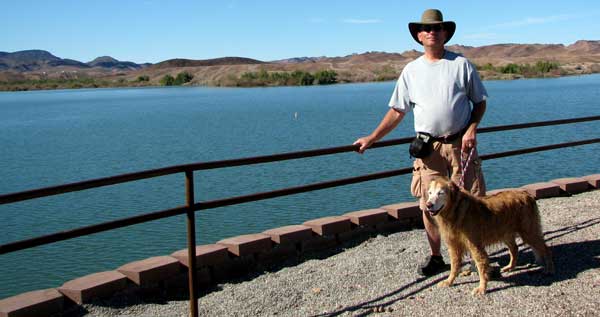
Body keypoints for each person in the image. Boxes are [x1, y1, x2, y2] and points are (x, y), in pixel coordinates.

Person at [353, 9, 488, 276]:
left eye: (437, 28)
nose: (431, 32)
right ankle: (438, 257)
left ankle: (477, 256)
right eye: (426, 29)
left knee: (472, 200)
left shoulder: (461, 65)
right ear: (418, 35)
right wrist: (372, 137)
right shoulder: (411, 70)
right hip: (428, 151)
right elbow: (397, 111)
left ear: (445, 33)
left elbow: (480, 102)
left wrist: (472, 128)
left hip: (461, 144)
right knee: (429, 205)